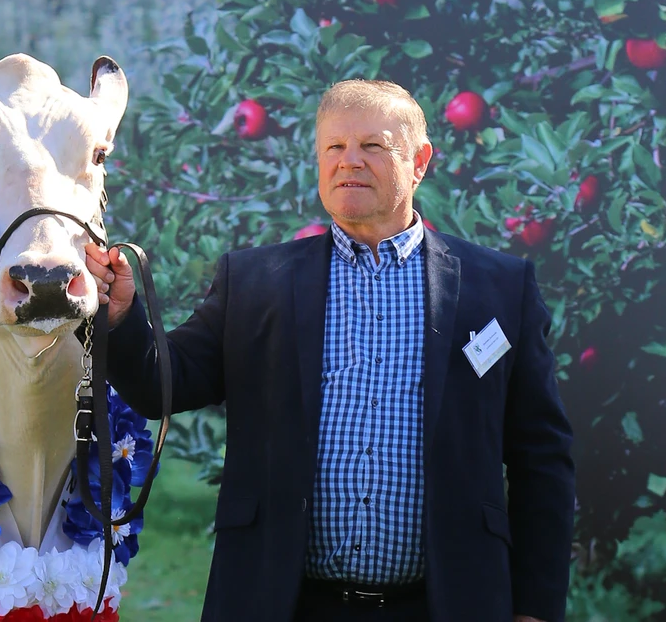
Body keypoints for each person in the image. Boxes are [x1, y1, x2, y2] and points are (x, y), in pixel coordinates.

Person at [85, 79, 575, 622]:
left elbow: (541, 458)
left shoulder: (500, 287)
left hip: (449, 603)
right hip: (280, 602)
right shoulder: (253, 281)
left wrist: (535, 605)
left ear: (419, 162)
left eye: (372, 146)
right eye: (334, 148)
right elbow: (163, 384)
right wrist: (124, 318)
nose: (350, 162)